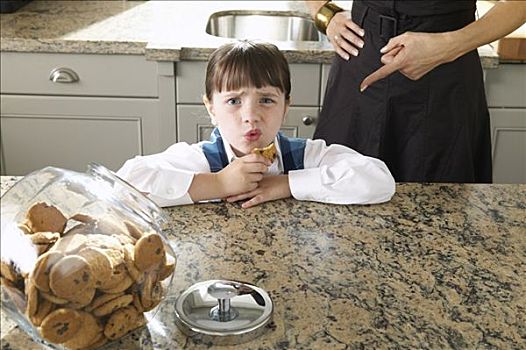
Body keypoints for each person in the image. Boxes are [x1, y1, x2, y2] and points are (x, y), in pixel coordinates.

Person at [117, 41, 395, 208]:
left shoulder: (303, 156)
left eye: (266, 100)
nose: (251, 116)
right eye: (234, 101)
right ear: (210, 108)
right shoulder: (200, 159)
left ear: (286, 107)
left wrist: (286, 184)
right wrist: (218, 183)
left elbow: (379, 180)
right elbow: (123, 186)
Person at [306, 0, 526, 183]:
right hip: (360, 61)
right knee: (338, 195)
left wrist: (449, 46)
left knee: (441, 213)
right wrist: (324, 13)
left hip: (445, 74)